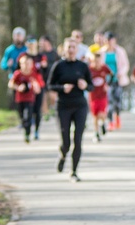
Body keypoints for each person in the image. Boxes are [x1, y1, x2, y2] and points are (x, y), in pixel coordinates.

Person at [48, 37, 93, 182]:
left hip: (80, 105)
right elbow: (50, 85)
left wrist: (85, 85)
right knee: (66, 141)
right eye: (69, 47)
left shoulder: (83, 66)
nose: (71, 50)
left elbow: (91, 86)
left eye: (74, 47)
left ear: (77, 50)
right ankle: (63, 155)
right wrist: (62, 88)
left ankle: (74, 171)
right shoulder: (58, 66)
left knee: (78, 139)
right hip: (63, 106)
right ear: (64, 49)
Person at [100, 32, 130, 131]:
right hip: (107, 81)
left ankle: (117, 118)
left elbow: (125, 65)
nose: (108, 42)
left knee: (117, 100)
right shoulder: (102, 52)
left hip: (118, 79)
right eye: (106, 40)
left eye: (110, 40)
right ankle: (110, 122)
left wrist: (120, 73)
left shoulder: (120, 51)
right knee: (109, 101)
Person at [9, 54, 43, 143]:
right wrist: (18, 87)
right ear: (20, 64)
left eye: (28, 64)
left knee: (28, 115)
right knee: (22, 116)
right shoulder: (18, 74)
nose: (26, 66)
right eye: (24, 63)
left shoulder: (34, 75)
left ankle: (27, 133)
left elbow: (38, 88)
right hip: (20, 99)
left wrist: (36, 86)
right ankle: (25, 126)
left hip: (30, 99)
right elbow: (11, 84)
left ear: (32, 65)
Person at [19, 37, 47, 138]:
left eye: (33, 43)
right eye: (29, 43)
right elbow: (18, 70)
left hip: (39, 84)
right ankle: (26, 128)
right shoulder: (23, 56)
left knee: (37, 109)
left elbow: (45, 70)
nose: (31, 46)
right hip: (26, 86)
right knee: (26, 109)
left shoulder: (41, 56)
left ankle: (36, 130)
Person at [0, 27, 28, 111]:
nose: (18, 38)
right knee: (17, 100)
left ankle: (29, 117)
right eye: (16, 36)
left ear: (23, 37)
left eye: (20, 36)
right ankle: (21, 119)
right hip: (14, 78)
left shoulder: (27, 49)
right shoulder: (9, 50)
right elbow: (3, 65)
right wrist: (8, 64)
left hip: (26, 78)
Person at [87, 51, 113, 142]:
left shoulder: (104, 68)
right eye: (95, 61)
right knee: (95, 116)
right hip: (93, 96)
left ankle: (103, 123)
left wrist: (108, 85)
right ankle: (96, 133)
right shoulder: (89, 69)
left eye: (98, 61)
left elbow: (112, 75)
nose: (97, 63)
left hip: (102, 95)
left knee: (102, 113)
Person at [39, 35, 60, 118]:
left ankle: (53, 109)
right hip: (42, 78)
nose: (41, 44)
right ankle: (46, 114)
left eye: (43, 42)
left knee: (53, 96)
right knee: (43, 97)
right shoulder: (40, 54)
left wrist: (48, 65)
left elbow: (58, 64)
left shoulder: (54, 53)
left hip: (53, 78)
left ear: (48, 42)